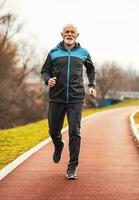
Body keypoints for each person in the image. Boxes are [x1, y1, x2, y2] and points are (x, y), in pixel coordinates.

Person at [41, 24, 96, 179]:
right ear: (62, 34)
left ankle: (72, 167)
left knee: (74, 132)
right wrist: (48, 80)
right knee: (53, 131)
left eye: (72, 32)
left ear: (77, 35)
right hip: (56, 98)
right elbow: (44, 70)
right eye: (67, 32)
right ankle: (58, 145)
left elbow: (91, 70)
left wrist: (91, 85)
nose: (69, 34)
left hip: (76, 98)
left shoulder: (83, 53)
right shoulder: (53, 52)